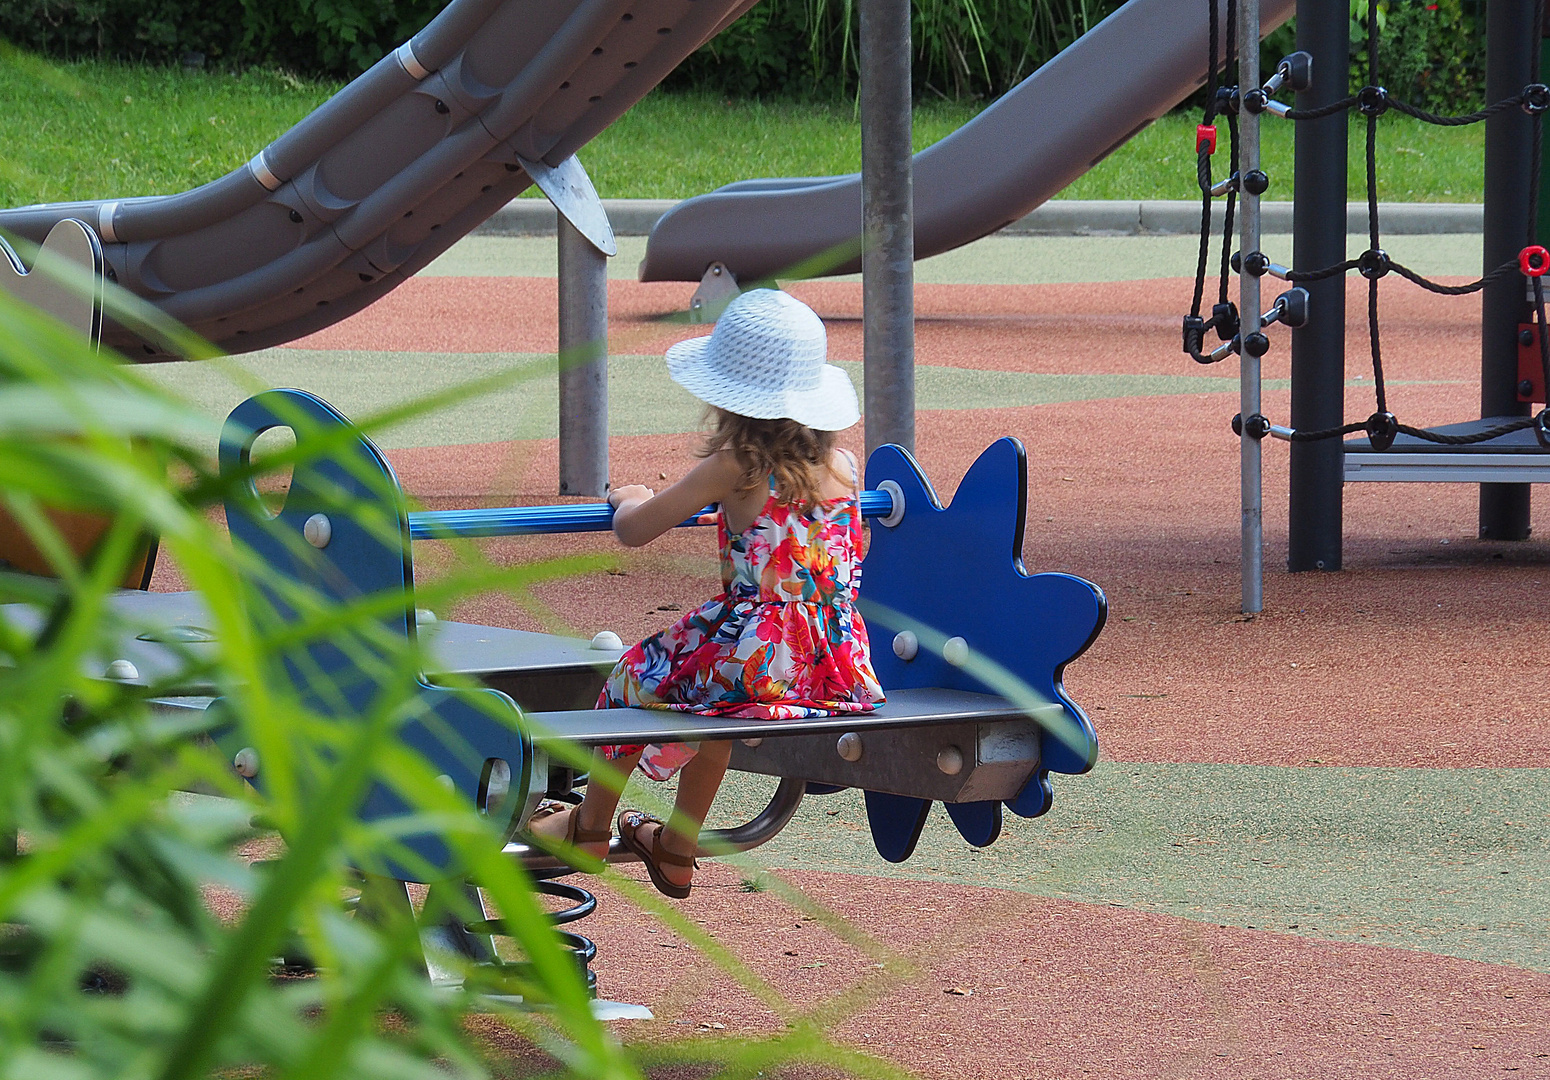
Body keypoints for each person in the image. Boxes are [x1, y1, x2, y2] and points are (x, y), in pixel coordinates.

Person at [529, 288, 884, 898]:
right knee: (709, 715)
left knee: (632, 677)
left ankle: (589, 825)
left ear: (729, 396)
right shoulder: (847, 467)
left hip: (756, 653)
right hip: (834, 664)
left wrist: (626, 496)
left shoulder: (738, 465)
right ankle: (676, 848)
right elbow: (857, 550)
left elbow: (637, 530)